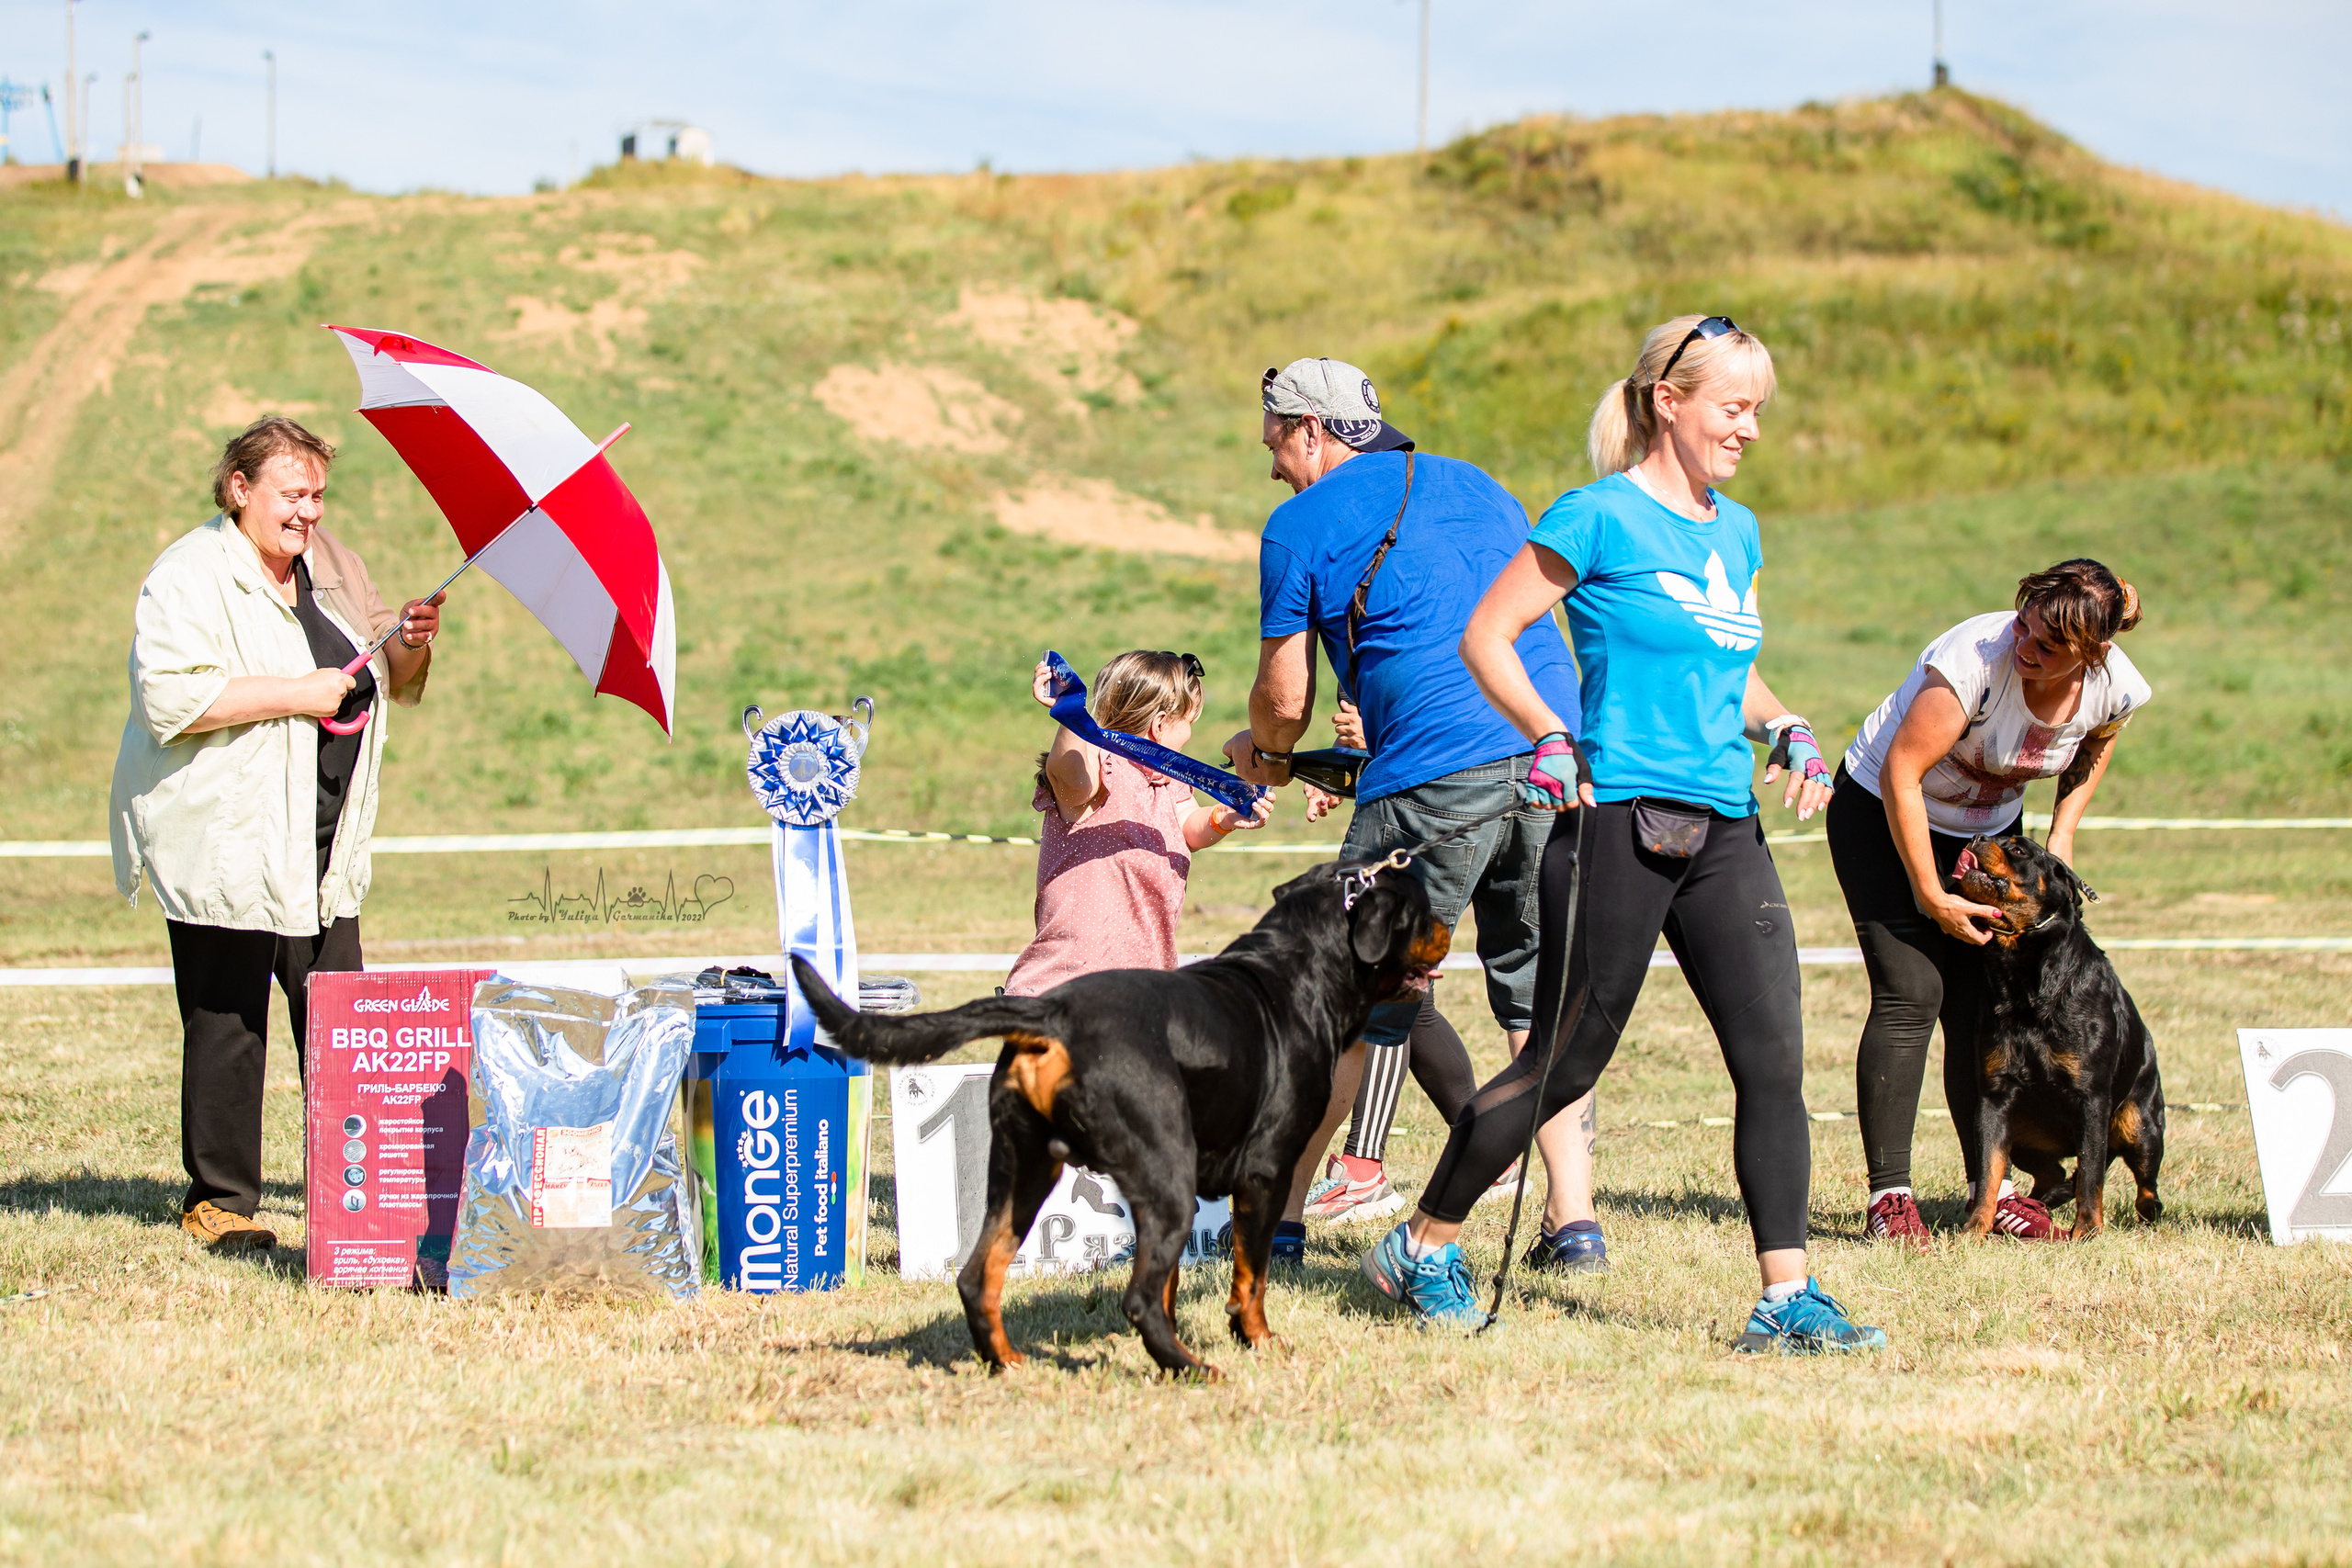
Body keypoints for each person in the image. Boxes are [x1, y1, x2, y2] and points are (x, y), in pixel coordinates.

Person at [1363, 314, 1887, 1353]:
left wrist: (1785, 726)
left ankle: (1785, 1299)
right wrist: (1548, 734)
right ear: (1669, 401)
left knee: (1773, 1061)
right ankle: (1419, 1245)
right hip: (1614, 819)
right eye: (1733, 407)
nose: (1747, 429)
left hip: (1725, 824)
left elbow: (1724, 667)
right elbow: (1487, 636)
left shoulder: (1735, 532)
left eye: (1756, 411)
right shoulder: (1595, 517)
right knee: (1563, 1063)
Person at [1222, 357, 1603, 1272]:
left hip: (1436, 769)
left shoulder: (1297, 522)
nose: (1271, 460)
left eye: (1274, 438)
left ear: (1311, 430)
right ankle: (1575, 1222)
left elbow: (1284, 698)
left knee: (1347, 996)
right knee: (1535, 995)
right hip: (1556, 748)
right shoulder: (1474, 481)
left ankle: (1279, 1223)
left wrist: (1265, 758)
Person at [110, 416, 447, 1252]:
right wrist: (297, 691)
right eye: (292, 495)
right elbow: (173, 701)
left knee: (342, 1023)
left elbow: (393, 684)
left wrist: (410, 646)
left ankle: (358, 1195)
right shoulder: (188, 575)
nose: (309, 514)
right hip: (228, 837)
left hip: (325, 842)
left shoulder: (334, 566)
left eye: (319, 496)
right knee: (229, 1020)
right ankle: (218, 1200)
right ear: (240, 489)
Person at [1830, 560, 2150, 1247]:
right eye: (2024, 623)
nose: (2025, 643)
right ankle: (1890, 1199)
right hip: (1883, 812)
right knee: (1912, 990)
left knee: (1979, 1006)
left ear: (2091, 657)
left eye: (2047, 645)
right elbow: (1902, 772)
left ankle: (1993, 1191)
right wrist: (1929, 892)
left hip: (1986, 834)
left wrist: (2062, 831)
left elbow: (2099, 740)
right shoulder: (1973, 661)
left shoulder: (2114, 686)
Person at [1004, 650, 1270, 997]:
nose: (1191, 734)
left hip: (1141, 989)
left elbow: (1187, 825)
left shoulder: (1170, 779)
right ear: (1159, 725)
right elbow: (1071, 782)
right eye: (1189, 722)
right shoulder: (1099, 764)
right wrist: (1070, 716)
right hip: (1066, 990)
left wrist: (1224, 817)